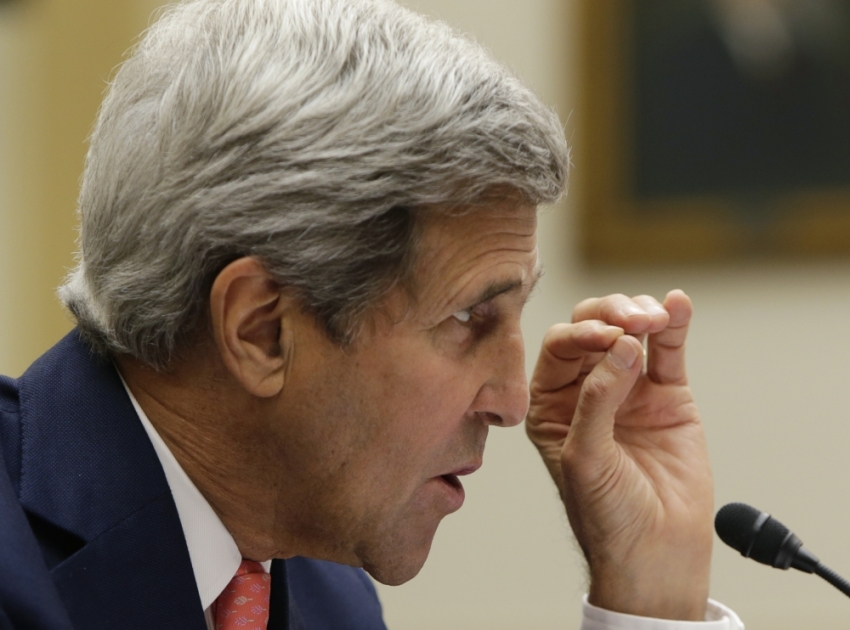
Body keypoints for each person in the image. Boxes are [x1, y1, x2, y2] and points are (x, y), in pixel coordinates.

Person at [0, 0, 744, 628]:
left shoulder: (326, 593)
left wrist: (649, 591)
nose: (516, 403)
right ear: (261, 330)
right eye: (469, 319)